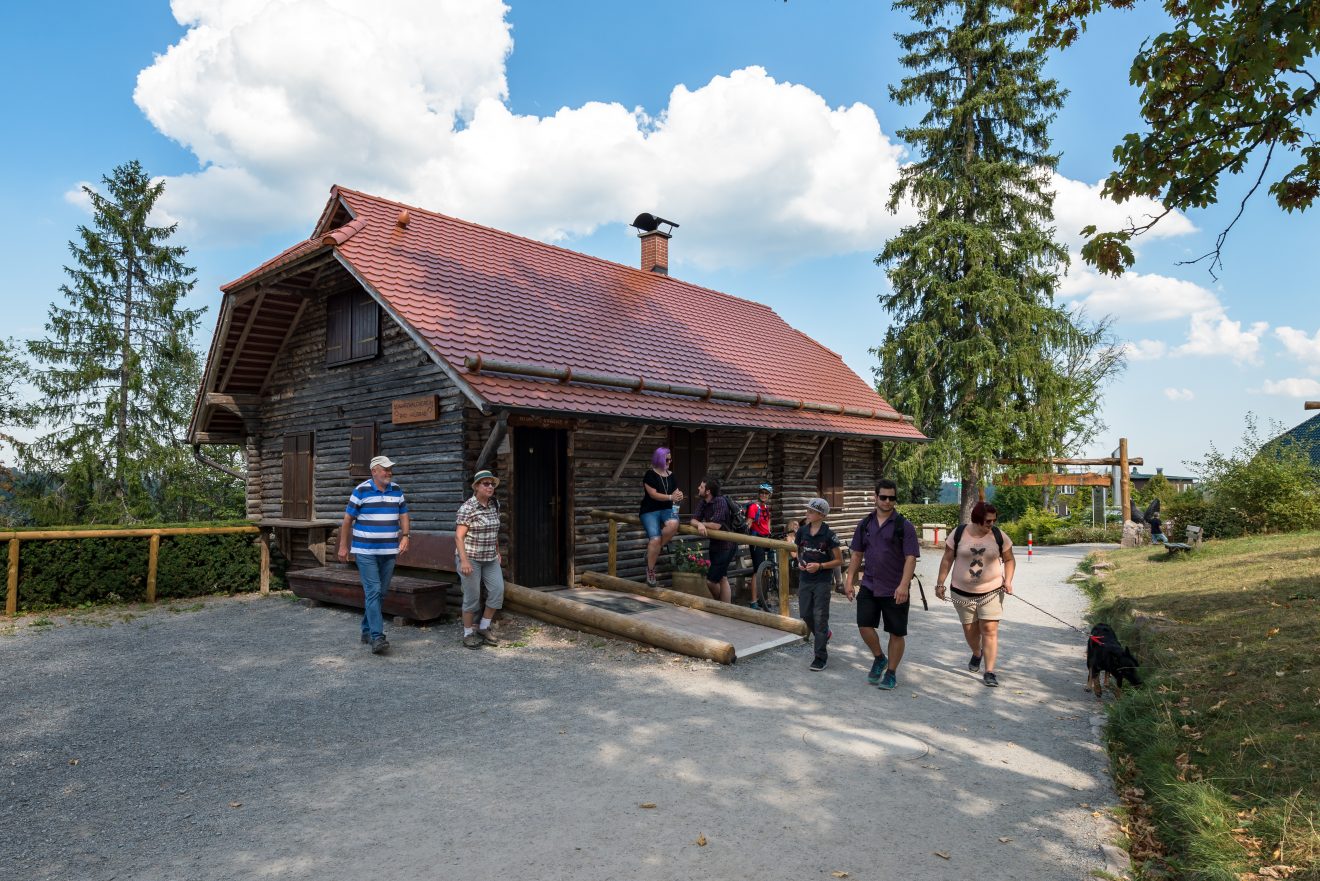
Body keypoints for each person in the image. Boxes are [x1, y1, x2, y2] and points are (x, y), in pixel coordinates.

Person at [844, 479, 920, 690]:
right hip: (869, 584)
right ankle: (879, 658)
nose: (887, 501)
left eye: (892, 498)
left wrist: (904, 585)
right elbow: (857, 554)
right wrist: (849, 581)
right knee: (864, 626)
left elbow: (911, 558)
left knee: (896, 632)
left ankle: (892, 672)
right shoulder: (865, 524)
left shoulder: (903, 526)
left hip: (895, 587)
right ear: (876, 497)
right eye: (883, 497)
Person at [934, 501, 1016, 688]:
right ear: (977, 520)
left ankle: (990, 671)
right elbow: (947, 558)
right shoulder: (959, 533)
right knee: (970, 631)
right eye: (988, 521)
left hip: (992, 592)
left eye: (994, 520)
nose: (991, 524)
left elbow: (1010, 559)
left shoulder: (998, 535)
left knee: (989, 630)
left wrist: (1008, 580)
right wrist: (940, 583)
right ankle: (977, 653)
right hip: (961, 593)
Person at [337, 455, 410, 655]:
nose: (388, 472)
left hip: (388, 551)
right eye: (384, 469)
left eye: (390, 469)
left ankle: (366, 630)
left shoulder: (396, 490)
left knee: (381, 592)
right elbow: (347, 520)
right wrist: (343, 546)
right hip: (365, 551)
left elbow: (403, 514)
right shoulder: (361, 491)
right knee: (374, 590)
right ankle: (377, 637)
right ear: (374, 471)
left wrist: (405, 536)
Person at [456, 470, 506, 649]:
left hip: (490, 557)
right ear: (476, 486)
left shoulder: (494, 504)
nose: (490, 487)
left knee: (497, 591)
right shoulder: (468, 507)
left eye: (492, 484)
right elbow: (459, 537)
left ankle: (484, 627)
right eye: (486, 484)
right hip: (471, 557)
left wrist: (497, 551)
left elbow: (494, 531)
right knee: (472, 597)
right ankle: (468, 633)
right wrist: (464, 561)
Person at [795, 497, 843, 671]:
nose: (807, 513)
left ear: (821, 515)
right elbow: (799, 550)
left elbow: (839, 560)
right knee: (806, 614)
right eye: (807, 510)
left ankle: (820, 657)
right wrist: (800, 562)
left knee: (820, 618)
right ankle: (825, 634)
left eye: (811, 511)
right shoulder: (802, 531)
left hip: (822, 581)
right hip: (805, 579)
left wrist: (820, 566)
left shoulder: (830, 535)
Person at [640, 447, 683, 586]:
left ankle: (654, 550)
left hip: (666, 509)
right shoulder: (650, 475)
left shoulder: (672, 475)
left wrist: (679, 495)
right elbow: (653, 494)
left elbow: (675, 492)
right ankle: (651, 570)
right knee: (655, 538)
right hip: (650, 510)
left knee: (673, 524)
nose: (669, 462)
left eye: (670, 459)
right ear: (659, 459)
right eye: (667, 459)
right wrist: (671, 496)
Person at [690, 475, 736, 603]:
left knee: (711, 581)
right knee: (723, 578)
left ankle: (720, 605)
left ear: (708, 491)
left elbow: (716, 525)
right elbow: (693, 520)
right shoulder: (703, 502)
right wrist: (699, 524)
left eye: (701, 486)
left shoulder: (720, 501)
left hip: (727, 545)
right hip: (715, 544)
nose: (698, 488)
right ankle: (726, 608)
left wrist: (702, 523)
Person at [746, 482, 774, 610]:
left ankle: (762, 599)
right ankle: (753, 601)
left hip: (765, 540)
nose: (763, 495)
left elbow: (768, 523)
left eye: (766, 493)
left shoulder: (766, 508)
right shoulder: (754, 507)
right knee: (757, 571)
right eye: (761, 493)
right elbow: (749, 523)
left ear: (769, 495)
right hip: (757, 541)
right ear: (758, 494)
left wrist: (769, 534)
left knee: (764, 572)